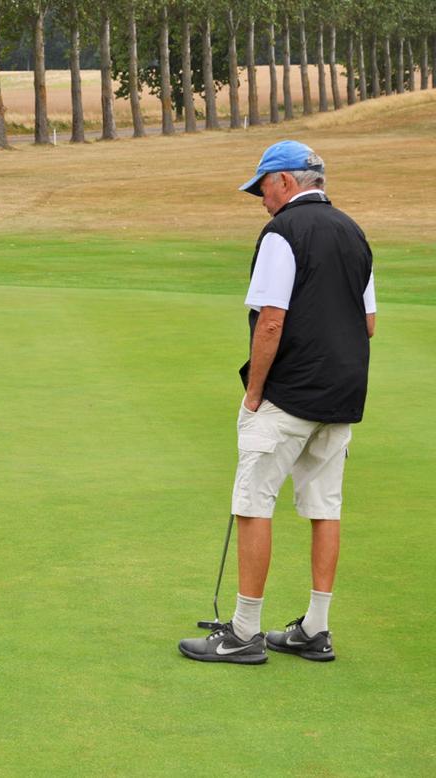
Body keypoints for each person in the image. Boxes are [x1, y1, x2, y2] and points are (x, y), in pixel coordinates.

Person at [179, 141, 376, 664]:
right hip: (342, 394)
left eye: (263, 187)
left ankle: (243, 633)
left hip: (289, 393)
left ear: (286, 182)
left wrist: (253, 392)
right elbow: (369, 323)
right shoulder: (354, 234)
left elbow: (271, 320)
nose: (260, 200)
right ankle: (316, 628)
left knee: (252, 503)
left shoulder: (282, 233)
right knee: (323, 506)